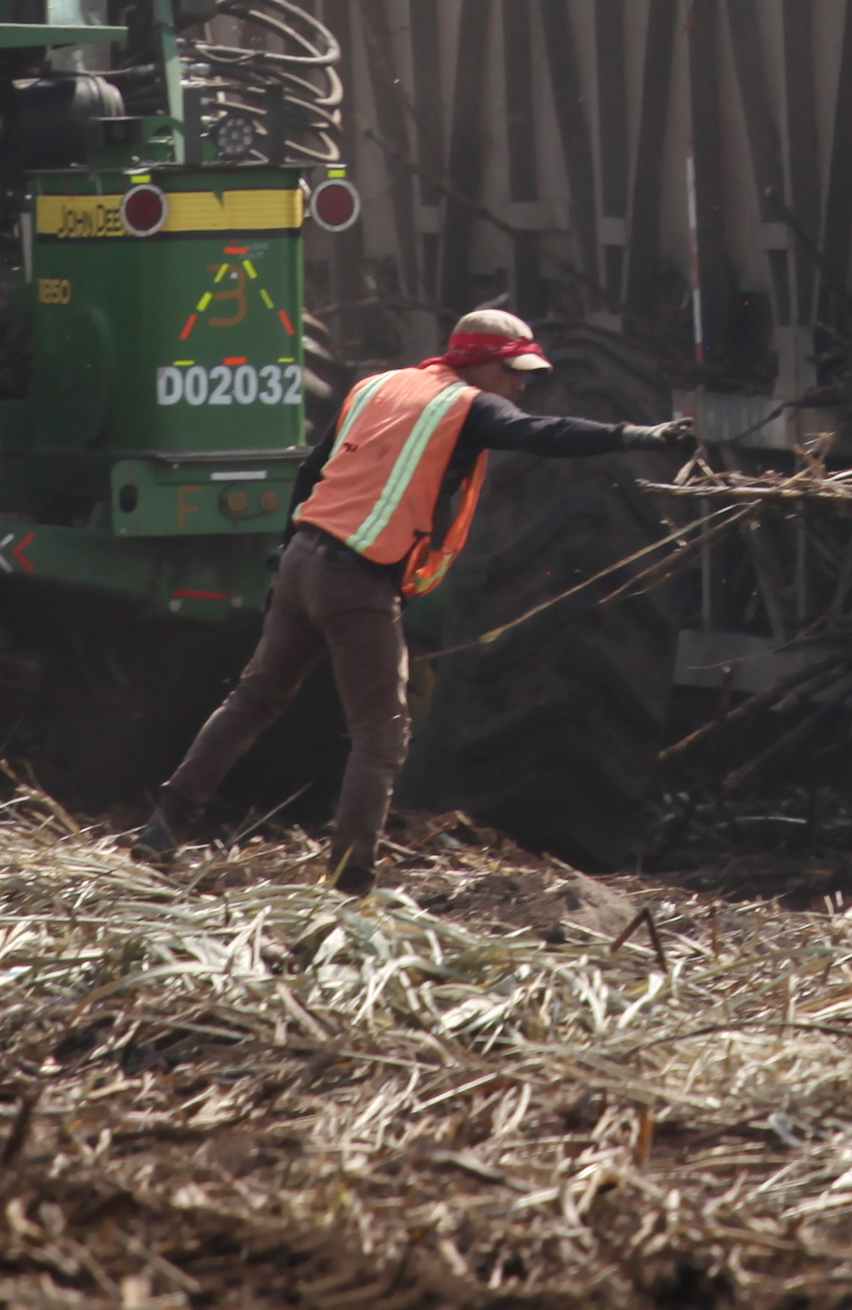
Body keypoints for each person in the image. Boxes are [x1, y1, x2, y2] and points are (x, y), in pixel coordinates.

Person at [144, 307, 687, 894]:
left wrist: (285, 551)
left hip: (304, 560)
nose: (522, 384)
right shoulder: (467, 405)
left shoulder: (375, 386)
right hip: (357, 580)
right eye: (513, 371)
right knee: (382, 735)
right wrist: (637, 436)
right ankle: (351, 879)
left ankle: (163, 829)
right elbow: (543, 434)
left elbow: (312, 468)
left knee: (253, 700)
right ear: (477, 363)